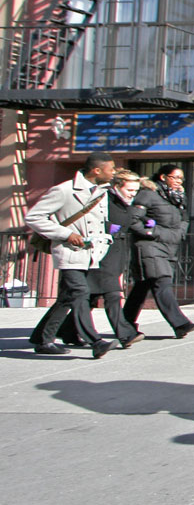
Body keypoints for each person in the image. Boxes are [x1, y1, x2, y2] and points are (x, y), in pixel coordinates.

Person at [25, 151, 122, 358]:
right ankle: (95, 340)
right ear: (97, 170)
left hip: (91, 253)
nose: (113, 172)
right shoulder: (63, 190)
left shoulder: (103, 191)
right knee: (79, 292)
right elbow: (34, 217)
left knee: (68, 297)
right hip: (69, 251)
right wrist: (66, 234)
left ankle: (42, 339)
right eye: (110, 169)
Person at [57, 169, 144, 349]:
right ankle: (125, 334)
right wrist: (107, 227)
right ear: (117, 186)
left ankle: (67, 331)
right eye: (129, 190)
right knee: (112, 294)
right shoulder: (104, 199)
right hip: (101, 253)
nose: (133, 194)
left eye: (136, 191)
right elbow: (91, 219)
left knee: (89, 297)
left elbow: (131, 220)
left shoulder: (126, 203)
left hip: (116, 253)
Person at [124, 165, 194, 338]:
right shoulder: (147, 194)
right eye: (175, 177)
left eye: (181, 178)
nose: (178, 181)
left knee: (141, 287)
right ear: (163, 177)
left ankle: (124, 324)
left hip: (169, 246)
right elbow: (133, 221)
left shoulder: (178, 198)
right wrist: (154, 232)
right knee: (162, 282)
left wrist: (180, 232)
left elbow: (185, 218)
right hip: (149, 246)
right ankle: (180, 324)